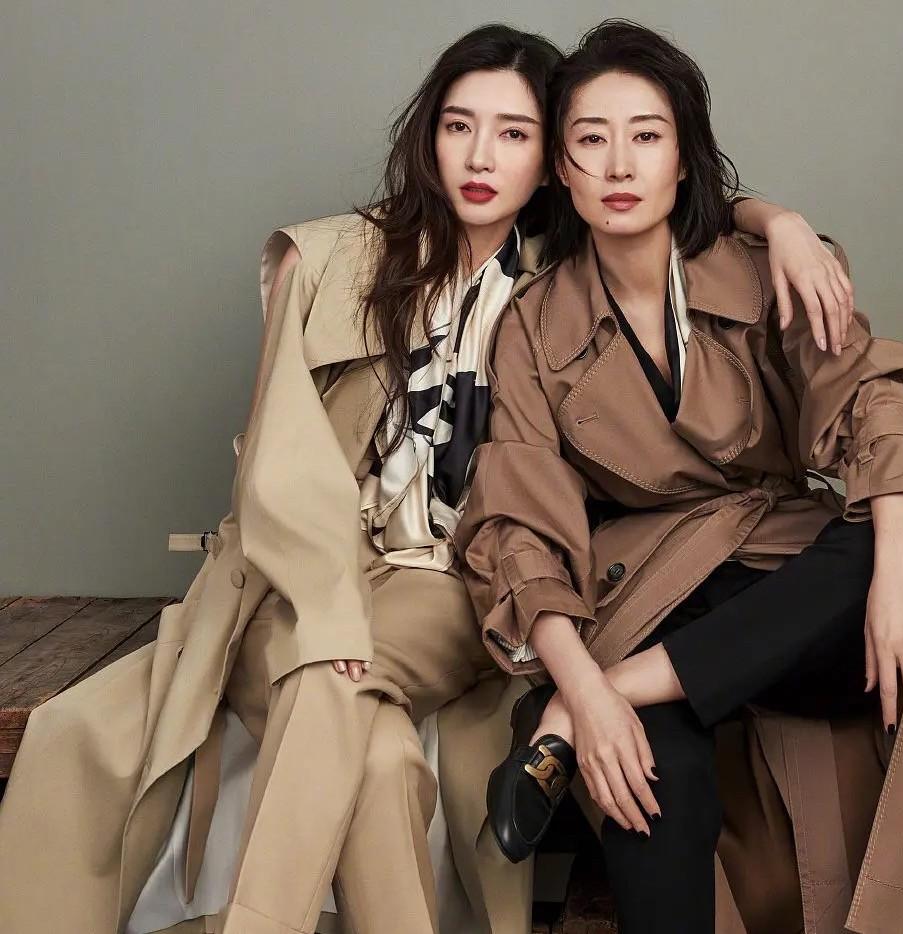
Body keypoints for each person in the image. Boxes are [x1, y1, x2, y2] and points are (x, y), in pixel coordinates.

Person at [0, 22, 853, 934]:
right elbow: (280, 464)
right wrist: (329, 604)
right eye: (458, 125)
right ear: (428, 136)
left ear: (552, 163)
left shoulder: (565, 282)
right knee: (374, 758)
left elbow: (665, 193)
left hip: (453, 579)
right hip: (301, 573)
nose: (481, 157)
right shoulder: (331, 260)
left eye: (515, 133)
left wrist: (780, 222)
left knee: (331, 679)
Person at [457, 19, 903, 934]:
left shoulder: (767, 270)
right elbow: (519, 523)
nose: (620, 166)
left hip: (787, 588)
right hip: (652, 590)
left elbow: (871, 397)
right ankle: (620, 701)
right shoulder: (533, 323)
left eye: (647, 136)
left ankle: (593, 707)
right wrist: (579, 676)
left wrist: (898, 572)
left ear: (684, 159)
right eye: (591, 140)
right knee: (651, 773)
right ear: (562, 169)